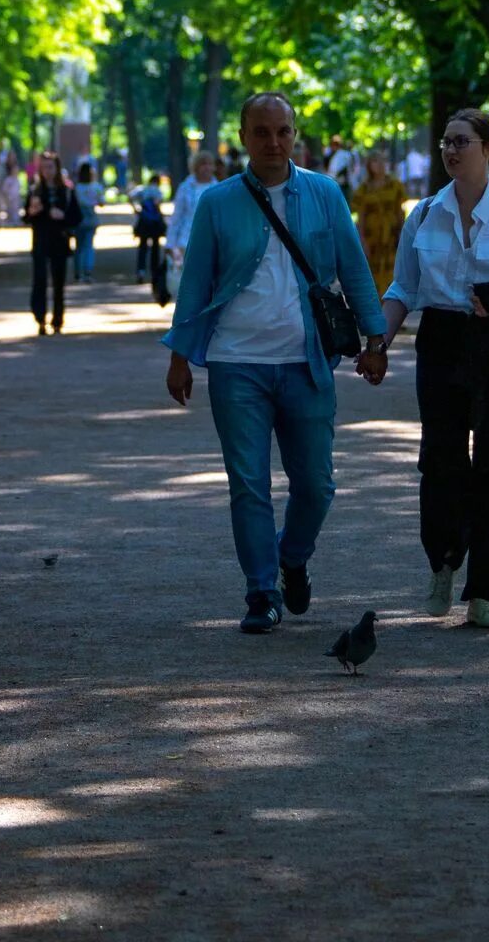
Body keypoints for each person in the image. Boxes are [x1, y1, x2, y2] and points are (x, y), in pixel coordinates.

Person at [163, 93, 388, 634]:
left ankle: (292, 557)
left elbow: (354, 269)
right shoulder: (218, 203)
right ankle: (261, 591)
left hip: (306, 360)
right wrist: (180, 357)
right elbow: (195, 283)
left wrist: (375, 337)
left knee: (316, 484)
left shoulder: (325, 193)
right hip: (236, 362)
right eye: (261, 132)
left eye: (282, 132)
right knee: (248, 483)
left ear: (294, 134)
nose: (272, 143)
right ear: (243, 137)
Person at [368, 108, 489, 629]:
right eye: (446, 143)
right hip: (443, 341)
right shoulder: (424, 215)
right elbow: (403, 289)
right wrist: (380, 342)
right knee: (441, 460)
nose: (452, 150)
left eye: (463, 141)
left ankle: (486, 594)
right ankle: (444, 564)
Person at [22, 152, 81, 337]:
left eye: (50, 167)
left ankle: (57, 320)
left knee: (58, 282)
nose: (47, 171)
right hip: (40, 241)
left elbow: (77, 217)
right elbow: (26, 217)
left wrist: (63, 217)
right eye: (44, 167)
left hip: (60, 241)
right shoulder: (35, 191)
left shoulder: (67, 191)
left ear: (56, 168)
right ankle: (40, 319)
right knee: (39, 281)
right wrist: (32, 212)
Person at [350, 151, 407, 295]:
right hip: (372, 238)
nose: (380, 164)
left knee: (392, 272)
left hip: (391, 236)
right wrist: (362, 240)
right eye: (375, 161)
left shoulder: (395, 185)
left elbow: (400, 210)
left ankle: (390, 305)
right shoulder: (364, 188)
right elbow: (361, 216)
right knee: (372, 276)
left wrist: (402, 233)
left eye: (382, 160)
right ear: (369, 165)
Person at [165, 150, 218, 301]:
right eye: (203, 164)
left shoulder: (218, 188)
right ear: (195, 167)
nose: (206, 168)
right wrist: (170, 243)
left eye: (209, 164)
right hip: (186, 240)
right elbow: (177, 217)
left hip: (211, 240)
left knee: (209, 280)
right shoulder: (186, 187)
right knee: (191, 280)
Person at [72, 161, 106, 283]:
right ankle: (87, 272)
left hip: (78, 219)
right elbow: (102, 202)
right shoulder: (96, 187)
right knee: (89, 246)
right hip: (91, 218)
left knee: (79, 247)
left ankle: (78, 273)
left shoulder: (76, 188)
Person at [133, 175, 167, 285]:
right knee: (155, 247)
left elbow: (131, 196)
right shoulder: (158, 191)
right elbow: (157, 204)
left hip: (144, 222)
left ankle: (141, 271)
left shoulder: (142, 189)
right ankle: (154, 271)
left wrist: (136, 209)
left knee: (143, 247)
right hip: (155, 224)